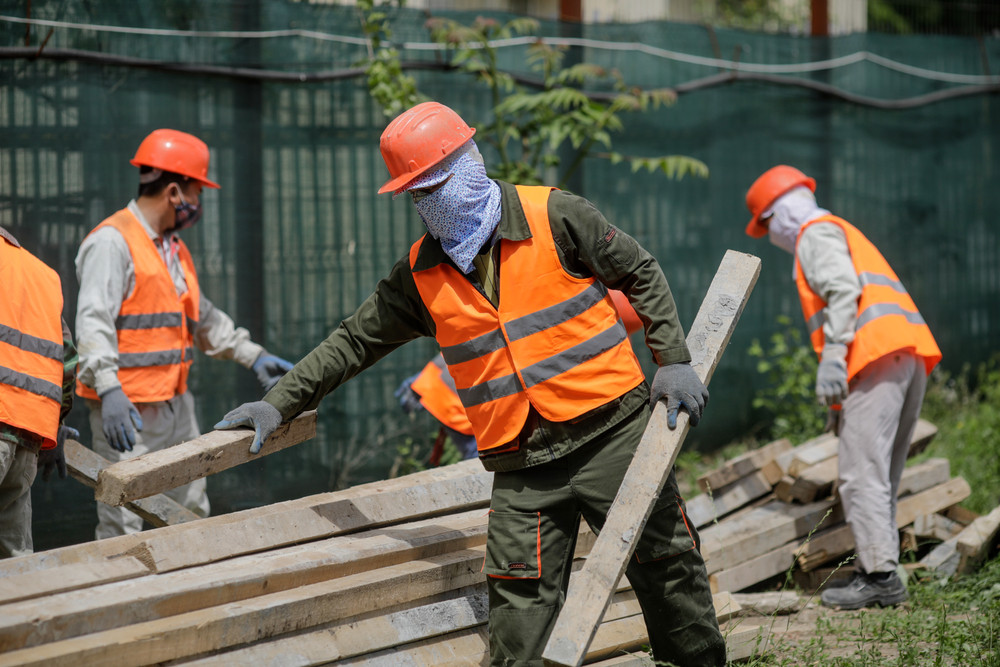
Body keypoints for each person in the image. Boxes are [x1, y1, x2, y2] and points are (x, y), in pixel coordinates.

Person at [216, 101, 725, 666]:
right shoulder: (419, 274)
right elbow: (353, 342)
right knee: (517, 607)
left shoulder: (554, 214)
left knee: (666, 565)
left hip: (614, 435)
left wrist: (672, 359)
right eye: (416, 194)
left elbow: (639, 270)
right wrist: (277, 403)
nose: (428, 204)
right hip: (522, 464)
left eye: (435, 186)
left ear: (470, 166)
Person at [74, 129, 294, 540]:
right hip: (127, 414)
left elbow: (201, 316)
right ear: (175, 191)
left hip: (176, 406)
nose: (199, 203)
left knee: (188, 510)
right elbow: (92, 323)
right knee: (124, 521)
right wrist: (108, 390)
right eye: (198, 191)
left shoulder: (172, 248)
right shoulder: (112, 243)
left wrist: (251, 353)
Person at [744, 165, 941, 609]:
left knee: (860, 473)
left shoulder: (814, 234)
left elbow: (842, 290)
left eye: (767, 224)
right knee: (880, 472)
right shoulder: (838, 228)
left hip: (873, 356)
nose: (770, 235)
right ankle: (881, 567)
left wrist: (835, 358)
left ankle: (880, 578)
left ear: (779, 214)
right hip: (903, 354)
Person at [395, 292, 644, 465]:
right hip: (453, 393)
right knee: (482, 453)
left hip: (443, 384)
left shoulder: (584, 324)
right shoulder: (561, 327)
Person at [0, 226, 79, 558]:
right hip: (27, 443)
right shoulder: (40, 275)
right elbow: (68, 360)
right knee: (16, 564)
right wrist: (54, 423)